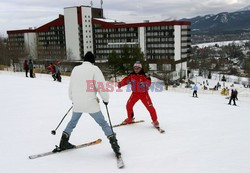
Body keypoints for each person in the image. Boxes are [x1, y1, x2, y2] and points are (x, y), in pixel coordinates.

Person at [58, 51, 122, 159]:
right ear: (93, 61)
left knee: (72, 122)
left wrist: (73, 99)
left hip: (77, 103)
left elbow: (71, 87)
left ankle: (63, 141)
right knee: (103, 123)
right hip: (91, 104)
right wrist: (105, 99)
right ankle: (114, 144)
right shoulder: (95, 69)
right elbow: (101, 86)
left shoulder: (76, 69)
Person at [117, 61, 160, 127]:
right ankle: (130, 118)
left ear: (140, 68)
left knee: (150, 107)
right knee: (128, 105)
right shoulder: (132, 75)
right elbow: (126, 80)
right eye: (135, 68)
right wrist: (121, 84)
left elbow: (148, 82)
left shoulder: (145, 75)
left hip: (144, 94)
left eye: (137, 68)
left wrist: (144, 84)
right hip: (135, 94)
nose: (136, 70)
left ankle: (155, 121)